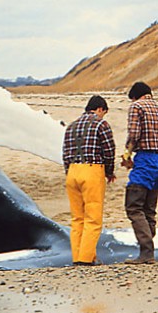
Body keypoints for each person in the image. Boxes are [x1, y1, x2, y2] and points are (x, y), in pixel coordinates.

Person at [63, 95, 116, 266]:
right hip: (92, 170)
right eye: (104, 113)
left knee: (77, 218)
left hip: (72, 172)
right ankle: (85, 260)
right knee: (93, 218)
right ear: (100, 109)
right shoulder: (101, 124)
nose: (103, 116)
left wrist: (69, 172)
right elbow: (109, 150)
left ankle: (78, 256)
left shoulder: (71, 126)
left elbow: (65, 154)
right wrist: (109, 172)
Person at [120, 82, 158, 264]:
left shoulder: (137, 106)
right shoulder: (157, 107)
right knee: (149, 209)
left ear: (135, 96)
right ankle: (148, 253)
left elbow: (134, 134)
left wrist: (127, 154)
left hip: (145, 159)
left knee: (134, 206)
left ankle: (146, 252)